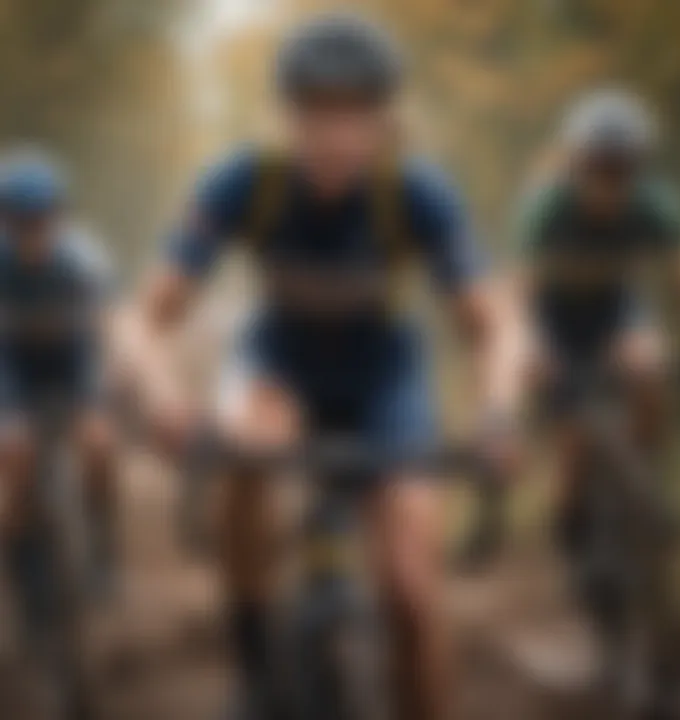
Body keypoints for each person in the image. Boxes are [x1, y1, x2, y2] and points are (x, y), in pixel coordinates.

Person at [120, 13, 521, 720]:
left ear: (384, 117)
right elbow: (144, 316)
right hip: (280, 369)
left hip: (385, 381)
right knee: (243, 451)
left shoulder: (416, 193)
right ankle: (252, 661)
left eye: (355, 112)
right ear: (287, 114)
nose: (334, 133)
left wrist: (497, 414)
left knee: (410, 591)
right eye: (315, 110)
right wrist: (164, 400)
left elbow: (495, 325)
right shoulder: (244, 184)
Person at [512, 88, 680, 561]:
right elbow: (516, 296)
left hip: (615, 309)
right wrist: (528, 346)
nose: (609, 183)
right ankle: (570, 525)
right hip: (554, 319)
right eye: (598, 168)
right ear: (576, 165)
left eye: (622, 169)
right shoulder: (545, 207)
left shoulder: (655, 205)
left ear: (639, 168)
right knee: (574, 442)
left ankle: (642, 476)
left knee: (649, 367)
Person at [0, 149, 119, 629]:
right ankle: (24, 569)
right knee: (14, 456)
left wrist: (98, 402)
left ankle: (101, 547)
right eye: (20, 222)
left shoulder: (83, 261)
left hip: (73, 365)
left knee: (99, 447)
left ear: (59, 216)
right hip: (11, 369)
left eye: (42, 219)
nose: (34, 232)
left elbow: (102, 336)